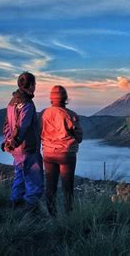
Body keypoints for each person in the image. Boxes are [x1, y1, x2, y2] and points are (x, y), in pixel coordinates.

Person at [2, 71, 44, 211]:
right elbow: (23, 125)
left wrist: (8, 141)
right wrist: (14, 141)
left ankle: (15, 205)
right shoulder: (27, 104)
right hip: (28, 148)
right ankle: (31, 212)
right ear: (31, 85)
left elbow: (7, 124)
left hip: (17, 150)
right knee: (34, 180)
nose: (35, 87)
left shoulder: (12, 102)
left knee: (19, 176)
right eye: (35, 84)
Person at [41, 85, 83, 216]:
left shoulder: (43, 114)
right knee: (67, 186)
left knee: (50, 186)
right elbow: (79, 136)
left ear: (51, 98)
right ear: (65, 98)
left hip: (48, 153)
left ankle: (52, 215)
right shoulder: (70, 115)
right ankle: (68, 215)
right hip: (66, 154)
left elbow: (38, 132)